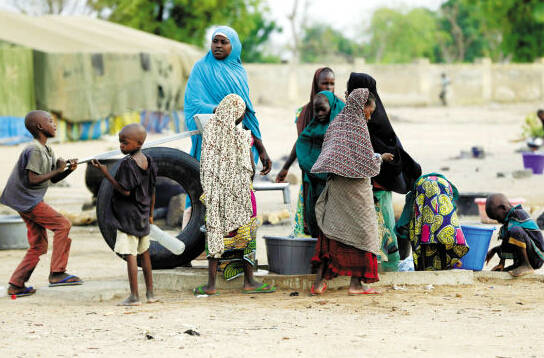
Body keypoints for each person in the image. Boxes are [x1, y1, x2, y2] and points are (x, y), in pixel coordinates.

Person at [182, 26, 271, 228]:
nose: (218, 46)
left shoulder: (239, 72)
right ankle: (193, 242)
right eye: (216, 41)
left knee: (234, 194)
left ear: (234, 46)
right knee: (202, 188)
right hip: (208, 142)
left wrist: (262, 148)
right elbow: (193, 104)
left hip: (237, 145)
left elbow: (247, 112)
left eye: (224, 42)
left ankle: (231, 246)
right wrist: (222, 110)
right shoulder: (201, 68)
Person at [310, 88, 394, 295]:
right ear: (362, 106)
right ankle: (356, 284)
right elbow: (366, 163)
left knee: (331, 232)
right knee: (365, 233)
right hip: (356, 192)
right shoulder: (358, 127)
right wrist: (380, 158)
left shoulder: (337, 124)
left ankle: (319, 283)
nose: (370, 115)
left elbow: (331, 154)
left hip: (337, 190)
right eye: (369, 111)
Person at [194, 94, 276, 295]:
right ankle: (249, 281)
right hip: (243, 197)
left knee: (215, 234)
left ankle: (211, 285)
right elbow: (249, 168)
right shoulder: (241, 136)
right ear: (238, 115)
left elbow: (205, 166)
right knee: (247, 237)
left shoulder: (210, 133)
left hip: (216, 197)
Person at [1, 110, 81, 297]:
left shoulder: (46, 149)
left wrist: (67, 170)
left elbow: (52, 178)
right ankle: (57, 273)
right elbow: (33, 179)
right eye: (50, 121)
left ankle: (16, 284)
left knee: (39, 245)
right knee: (63, 225)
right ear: (39, 127)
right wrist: (58, 170)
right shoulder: (34, 149)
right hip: (28, 201)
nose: (54, 125)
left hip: (25, 201)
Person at [346, 73, 422, 270]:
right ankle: (383, 266)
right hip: (375, 183)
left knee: (379, 225)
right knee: (381, 225)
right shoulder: (373, 115)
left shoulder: (364, 118)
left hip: (373, 185)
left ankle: (382, 267)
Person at [91, 124, 158, 306]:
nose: (121, 146)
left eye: (124, 142)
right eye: (120, 142)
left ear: (138, 143)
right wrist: (150, 214)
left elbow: (125, 191)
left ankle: (134, 296)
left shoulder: (127, 164)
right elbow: (152, 190)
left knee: (130, 255)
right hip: (142, 215)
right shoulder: (149, 161)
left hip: (128, 216)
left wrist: (106, 173)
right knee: (144, 253)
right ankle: (150, 294)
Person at [276, 67, 336, 237]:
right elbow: (302, 141)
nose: (328, 88)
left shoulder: (341, 109)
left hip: (334, 175)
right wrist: (286, 167)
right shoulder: (305, 112)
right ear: (316, 85)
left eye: (332, 84)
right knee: (312, 217)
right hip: (311, 172)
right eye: (324, 83)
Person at [295, 91, 344, 237]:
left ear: (332, 107)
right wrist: (317, 169)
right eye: (316, 110)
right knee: (316, 219)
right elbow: (302, 146)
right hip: (316, 183)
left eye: (323, 109)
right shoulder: (312, 128)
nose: (319, 113)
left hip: (335, 184)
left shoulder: (340, 127)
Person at [395, 174, 469, 271]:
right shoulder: (445, 193)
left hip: (423, 222)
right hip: (442, 221)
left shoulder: (416, 194)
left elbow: (403, 224)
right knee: (442, 236)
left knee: (425, 238)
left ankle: (426, 269)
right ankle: (442, 266)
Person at [485, 193, 544, 277]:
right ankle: (521, 264)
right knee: (502, 273)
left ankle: (526, 265)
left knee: (515, 231)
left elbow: (515, 234)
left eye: (497, 217)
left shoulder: (518, 215)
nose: (498, 221)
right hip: (527, 256)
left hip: (536, 257)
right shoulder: (510, 220)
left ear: (503, 208)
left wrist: (497, 250)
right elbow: (506, 241)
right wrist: (500, 261)